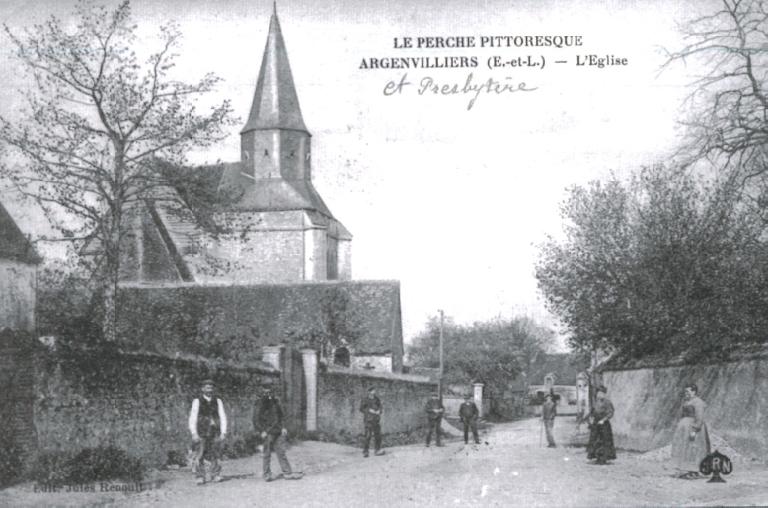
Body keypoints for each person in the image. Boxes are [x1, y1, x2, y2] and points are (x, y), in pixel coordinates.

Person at [252, 386, 303, 481]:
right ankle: (267, 474)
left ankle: (287, 473)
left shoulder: (276, 402)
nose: (268, 394)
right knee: (266, 454)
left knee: (281, 452)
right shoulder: (259, 404)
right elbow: (255, 420)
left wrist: (283, 427)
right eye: (265, 392)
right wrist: (261, 431)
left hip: (278, 430)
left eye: (269, 392)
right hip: (267, 432)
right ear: (262, 393)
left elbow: (281, 415)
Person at [188, 378, 227, 485]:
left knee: (215, 453)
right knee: (200, 453)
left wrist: (223, 432)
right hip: (202, 430)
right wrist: (194, 433)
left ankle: (215, 474)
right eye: (207, 388)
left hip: (215, 431)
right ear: (202, 389)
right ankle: (200, 476)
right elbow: (193, 417)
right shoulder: (197, 401)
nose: (209, 390)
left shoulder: (218, 401)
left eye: (211, 388)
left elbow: (222, 416)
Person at [670, 383, 711, 479]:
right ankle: (687, 469)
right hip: (685, 429)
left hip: (693, 428)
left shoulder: (698, 402)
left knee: (694, 448)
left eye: (688, 391)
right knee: (686, 447)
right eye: (685, 392)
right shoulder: (687, 402)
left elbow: (699, 417)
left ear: (694, 391)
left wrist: (695, 430)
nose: (686, 393)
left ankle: (694, 470)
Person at [586, 385, 616, 465]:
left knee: (604, 441)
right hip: (596, 423)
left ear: (604, 394)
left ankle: (603, 458)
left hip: (604, 424)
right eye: (598, 393)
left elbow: (610, 412)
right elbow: (592, 412)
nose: (599, 395)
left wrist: (603, 420)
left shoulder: (607, 402)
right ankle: (597, 457)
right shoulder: (595, 402)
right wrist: (590, 418)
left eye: (601, 393)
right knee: (595, 440)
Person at [360, 387, 384, 457]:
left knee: (378, 435)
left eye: (374, 390)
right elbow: (361, 408)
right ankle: (365, 451)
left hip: (376, 420)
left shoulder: (377, 399)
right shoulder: (365, 399)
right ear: (369, 392)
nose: (373, 392)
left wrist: (379, 411)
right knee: (368, 436)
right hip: (368, 420)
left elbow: (380, 406)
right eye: (372, 391)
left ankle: (377, 450)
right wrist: (369, 410)